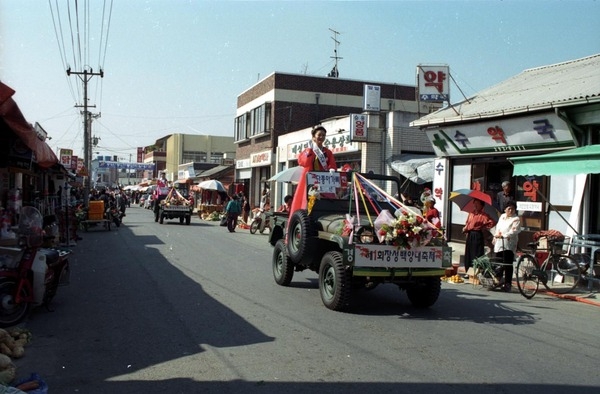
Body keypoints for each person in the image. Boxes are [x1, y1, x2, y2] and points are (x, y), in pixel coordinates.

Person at [289, 125, 337, 216]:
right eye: (319, 135)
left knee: (326, 202)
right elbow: (303, 162)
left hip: (324, 180)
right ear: (313, 137)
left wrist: (332, 169)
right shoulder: (308, 150)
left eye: (323, 135)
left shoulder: (328, 152)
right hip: (310, 181)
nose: (321, 137)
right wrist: (310, 151)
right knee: (308, 201)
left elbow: (332, 164)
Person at [462, 198, 496, 279]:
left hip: (477, 234)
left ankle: (475, 271)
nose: (475, 205)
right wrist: (465, 228)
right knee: (468, 253)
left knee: (476, 253)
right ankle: (468, 271)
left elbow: (492, 222)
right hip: (470, 234)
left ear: (482, 206)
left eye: (477, 204)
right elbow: (467, 223)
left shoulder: (483, 215)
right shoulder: (471, 214)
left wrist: (484, 227)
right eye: (474, 204)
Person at [493, 200, 521, 292]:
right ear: (505, 209)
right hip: (499, 242)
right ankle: (497, 280)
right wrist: (496, 235)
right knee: (498, 262)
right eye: (509, 209)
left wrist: (504, 235)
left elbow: (514, 231)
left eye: (513, 209)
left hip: (509, 243)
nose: (511, 211)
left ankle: (507, 283)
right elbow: (498, 227)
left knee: (508, 263)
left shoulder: (516, 219)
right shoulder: (502, 216)